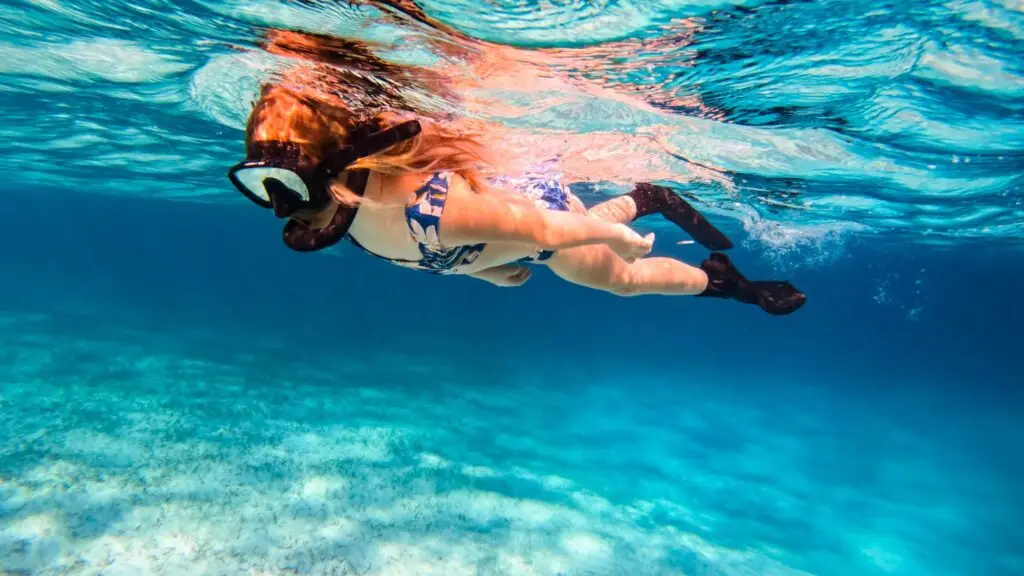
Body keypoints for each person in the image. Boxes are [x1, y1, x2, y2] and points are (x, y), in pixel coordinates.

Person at [226, 33, 807, 316]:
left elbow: (547, 232)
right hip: (511, 236)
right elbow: (412, 250)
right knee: (583, 239)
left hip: (535, 224)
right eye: (266, 189)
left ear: (345, 164)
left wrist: (614, 239)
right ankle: (643, 196)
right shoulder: (345, 205)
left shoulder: (427, 208)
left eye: (292, 187)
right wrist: (481, 273)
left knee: (619, 277)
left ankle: (731, 285)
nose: (282, 207)